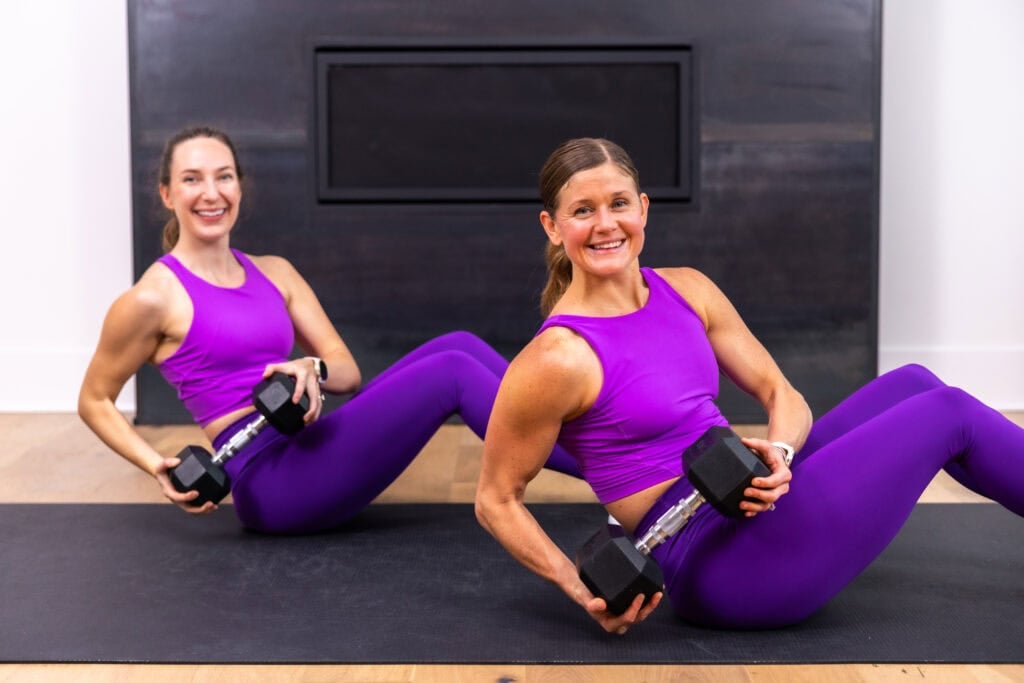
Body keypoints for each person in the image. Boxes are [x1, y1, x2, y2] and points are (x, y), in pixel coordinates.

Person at [474, 136, 1024, 634]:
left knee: (913, 383)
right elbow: (496, 499)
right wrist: (579, 585)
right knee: (949, 413)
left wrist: (781, 454)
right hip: (722, 566)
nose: (605, 224)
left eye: (618, 203)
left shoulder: (687, 290)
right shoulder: (558, 356)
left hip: (752, 497)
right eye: (583, 211)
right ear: (552, 226)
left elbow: (783, 395)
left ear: (643, 209)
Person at [78, 125, 580, 535]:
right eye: (192, 179)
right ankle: (610, 471)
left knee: (458, 344)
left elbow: (347, 373)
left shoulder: (275, 272)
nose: (211, 193)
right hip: (269, 482)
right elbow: (94, 399)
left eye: (223, 176)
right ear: (167, 194)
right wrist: (155, 464)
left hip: (312, 445)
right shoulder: (153, 297)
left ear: (239, 187)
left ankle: (593, 444)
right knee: (451, 371)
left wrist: (311, 367)